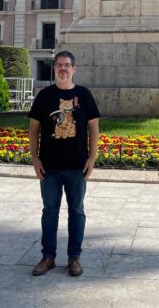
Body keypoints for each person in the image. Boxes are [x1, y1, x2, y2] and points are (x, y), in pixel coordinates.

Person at [28, 51, 100, 277]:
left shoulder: (84, 94)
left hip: (77, 166)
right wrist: (35, 158)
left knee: (77, 211)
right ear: (54, 68)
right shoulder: (44, 96)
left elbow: (93, 127)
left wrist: (92, 157)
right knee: (49, 211)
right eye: (59, 65)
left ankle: (74, 258)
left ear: (74, 69)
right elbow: (33, 129)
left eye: (67, 65)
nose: (63, 68)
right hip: (49, 166)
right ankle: (48, 257)